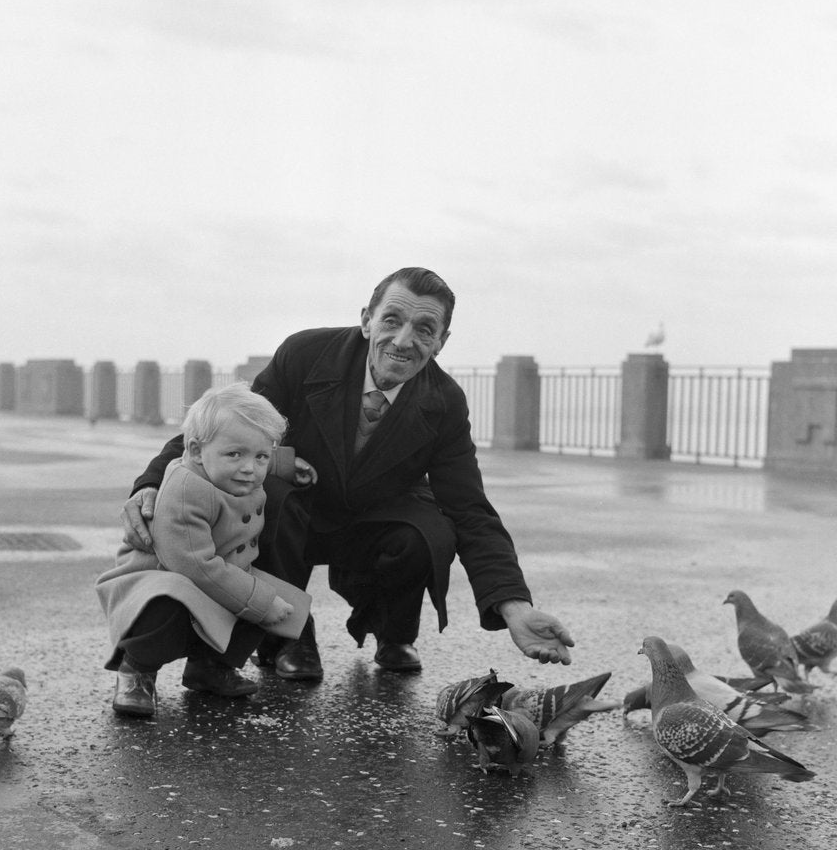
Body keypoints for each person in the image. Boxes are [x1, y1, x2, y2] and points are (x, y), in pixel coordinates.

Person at [121, 266, 574, 683]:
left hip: (374, 517)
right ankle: (287, 637)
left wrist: (515, 606)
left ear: (441, 342)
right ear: (366, 321)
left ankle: (392, 632)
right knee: (271, 495)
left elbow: (470, 509)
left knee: (429, 529)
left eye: (424, 329)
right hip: (297, 510)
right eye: (391, 320)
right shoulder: (305, 354)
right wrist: (153, 482)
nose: (402, 341)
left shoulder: (446, 401)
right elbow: (222, 429)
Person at [96, 382, 313, 716]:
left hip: (214, 572)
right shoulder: (186, 489)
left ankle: (209, 666)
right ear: (196, 452)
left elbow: (248, 452)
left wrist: (282, 464)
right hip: (161, 576)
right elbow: (193, 565)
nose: (249, 468)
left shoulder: (230, 471)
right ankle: (137, 670)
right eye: (235, 455)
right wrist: (259, 601)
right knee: (174, 604)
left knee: (280, 605)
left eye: (260, 457)